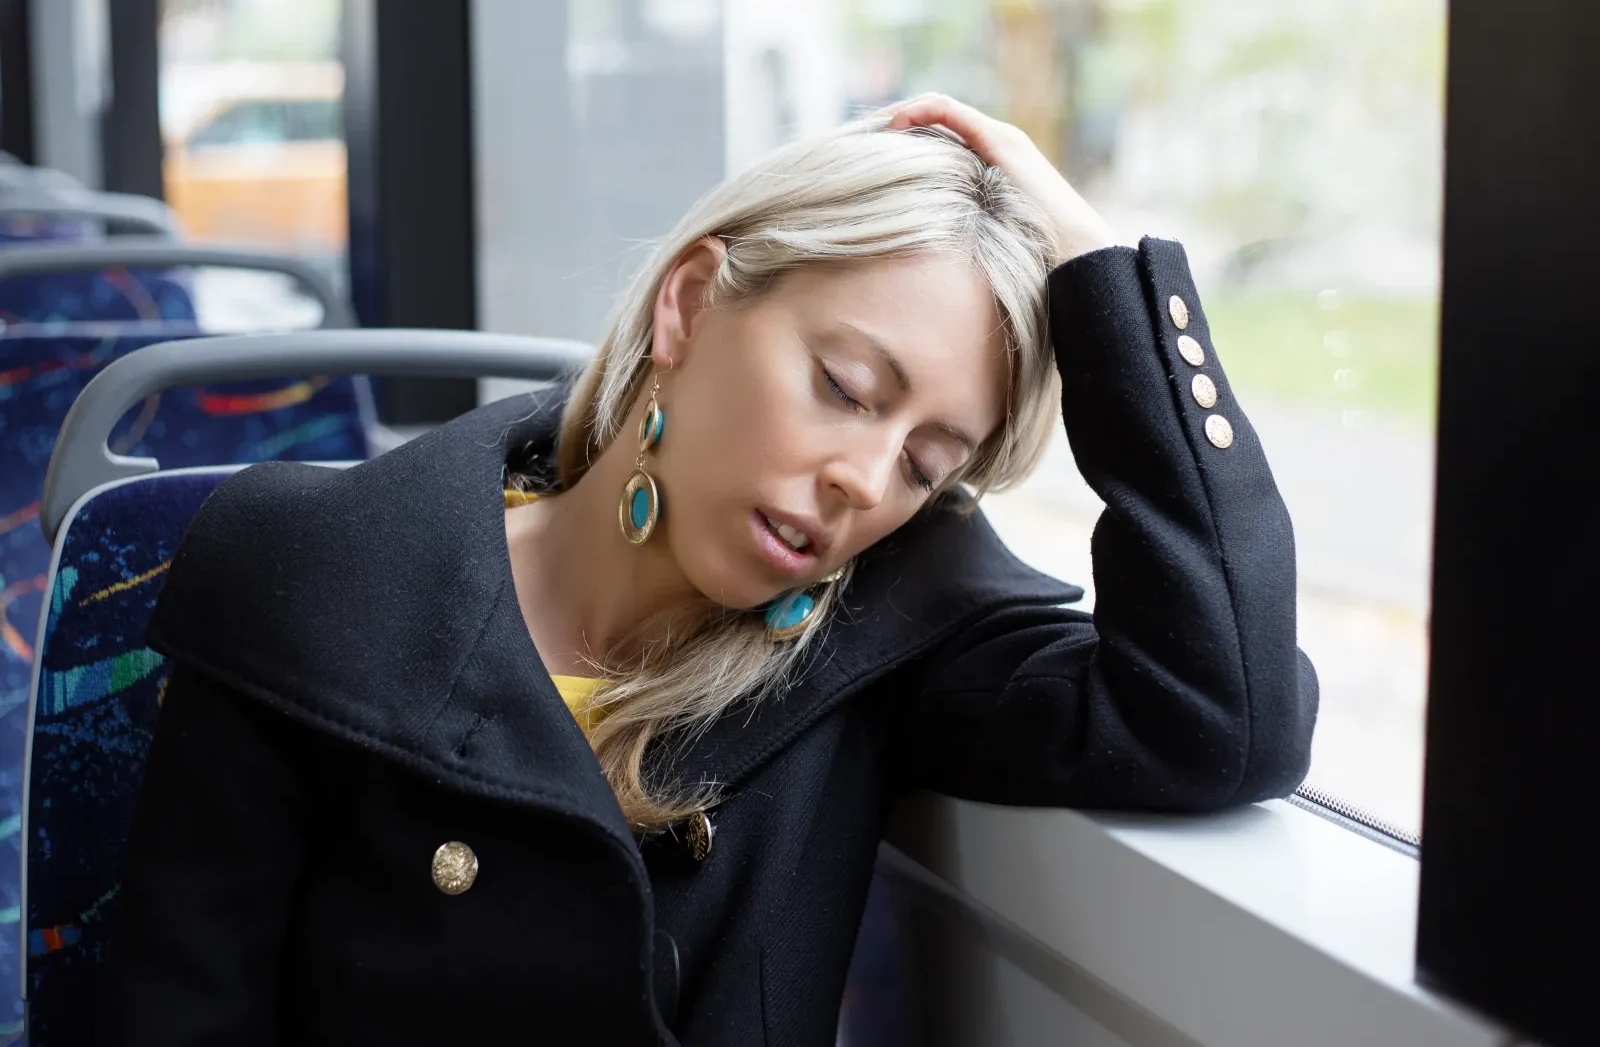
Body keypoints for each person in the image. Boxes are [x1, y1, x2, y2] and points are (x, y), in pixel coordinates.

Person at [106, 94, 1317, 1046]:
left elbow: (1220, 715)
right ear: (688, 304)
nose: (864, 481)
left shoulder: (880, 632)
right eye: (844, 388)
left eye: (925, 461)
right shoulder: (314, 580)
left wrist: (1103, 277)